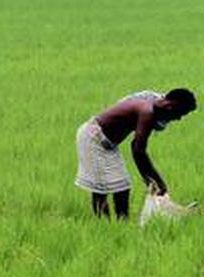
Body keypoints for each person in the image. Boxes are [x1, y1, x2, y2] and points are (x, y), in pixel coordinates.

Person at [75, 88, 197, 219]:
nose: (178, 119)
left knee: (122, 186)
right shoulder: (147, 113)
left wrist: (152, 180)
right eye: (180, 114)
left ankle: (122, 224)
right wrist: (156, 181)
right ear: (170, 106)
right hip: (93, 139)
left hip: (108, 143)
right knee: (102, 188)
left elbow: (138, 146)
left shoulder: (155, 100)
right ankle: (104, 226)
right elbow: (138, 150)